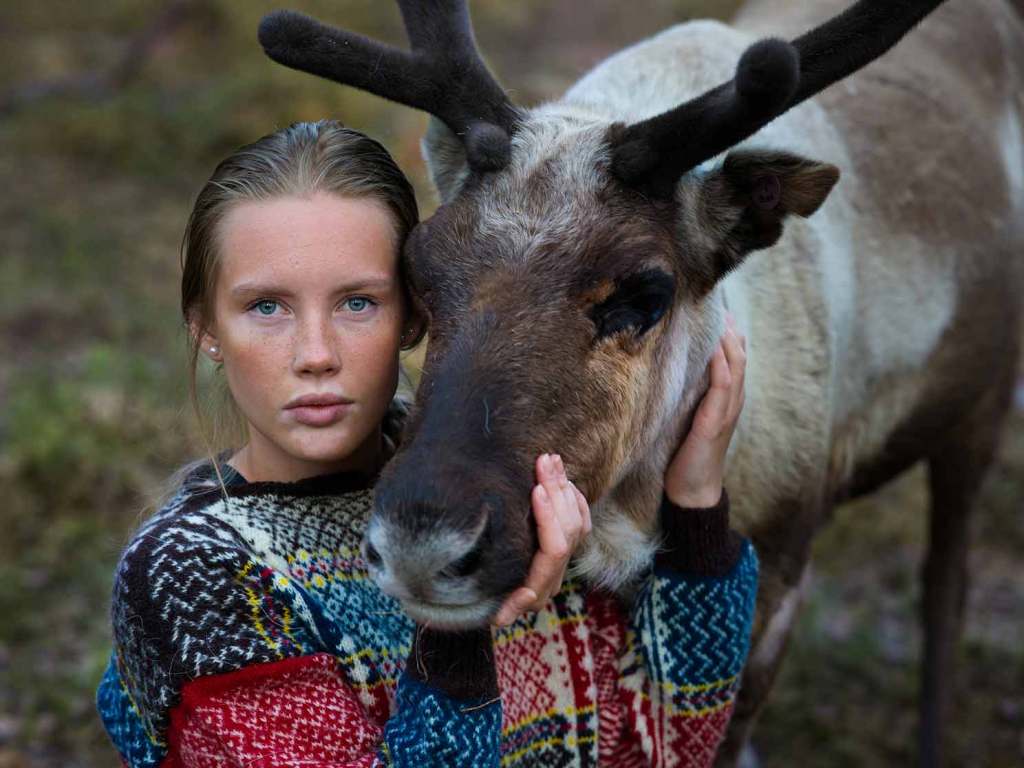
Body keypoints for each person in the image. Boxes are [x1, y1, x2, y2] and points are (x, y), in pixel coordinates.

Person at [96, 119, 757, 767]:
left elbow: (669, 748)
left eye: (358, 303)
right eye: (266, 307)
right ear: (205, 328)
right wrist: (454, 614)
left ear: (417, 313)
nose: (316, 354)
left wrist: (695, 505)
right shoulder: (193, 574)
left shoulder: (535, 497)